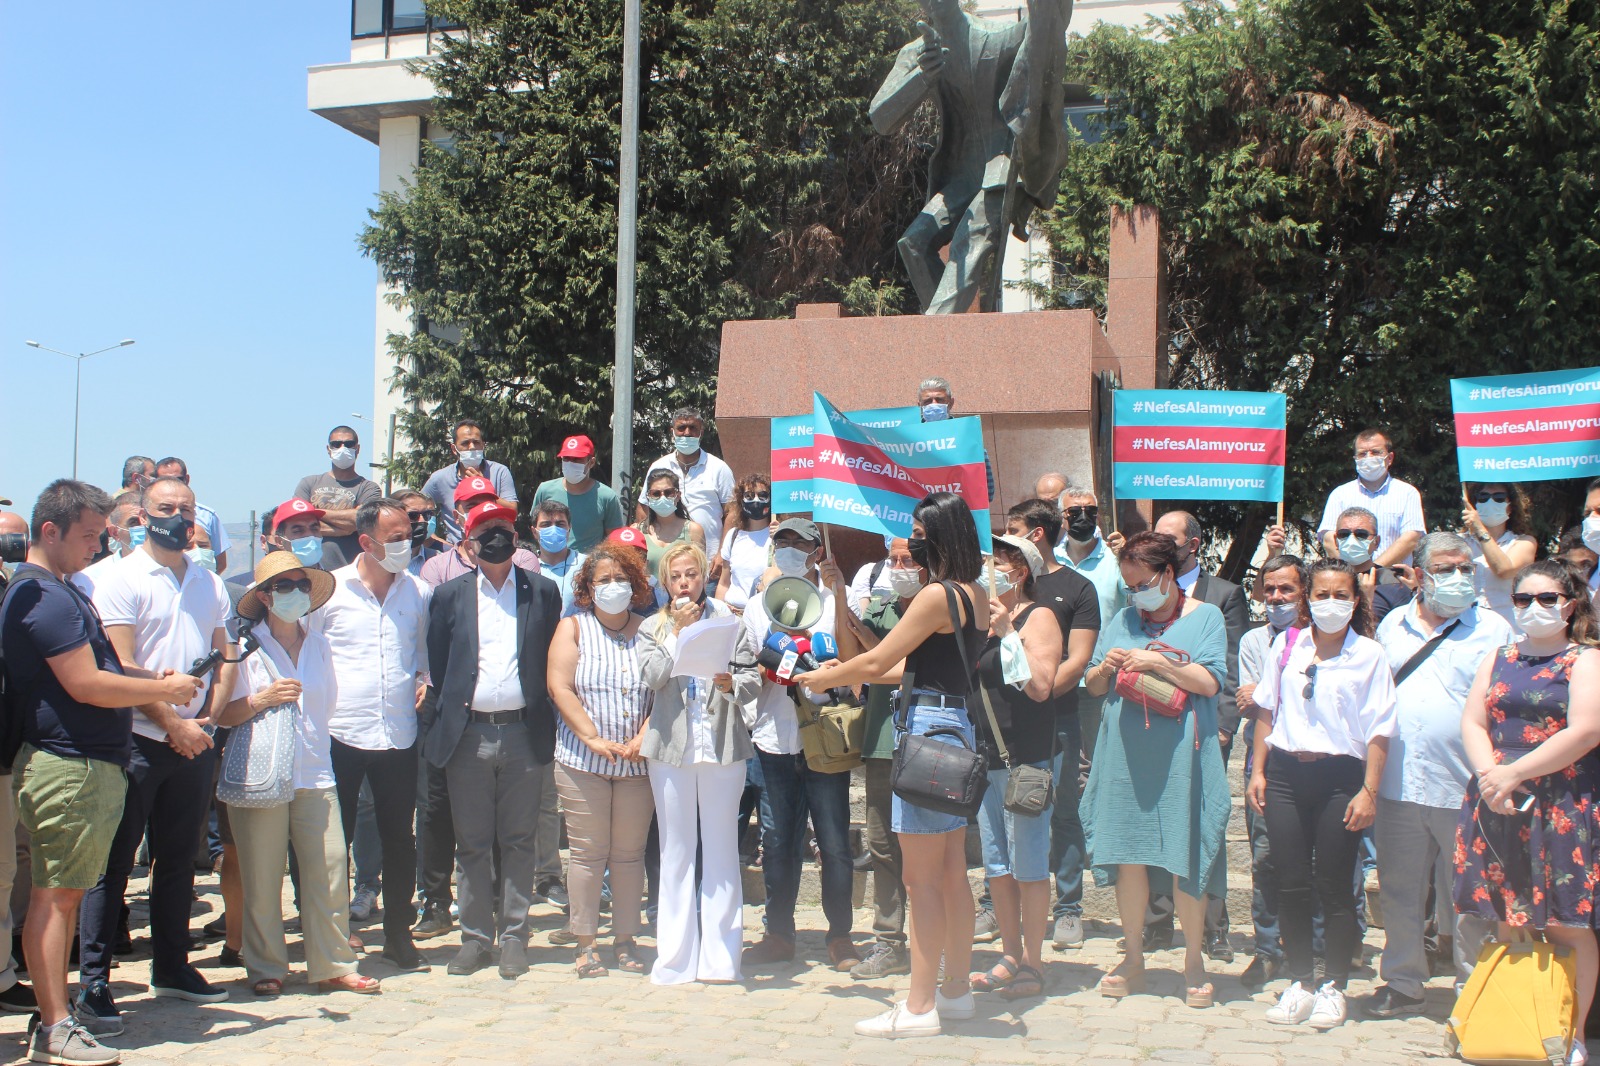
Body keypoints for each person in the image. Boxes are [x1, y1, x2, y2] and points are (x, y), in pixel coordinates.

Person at [2, 479, 202, 1066]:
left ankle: (55, 1017)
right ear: (50, 531)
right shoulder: (45, 597)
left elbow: (102, 667)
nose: (98, 546)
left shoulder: (59, 590)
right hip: (69, 765)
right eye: (89, 536)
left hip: (82, 763)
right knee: (57, 898)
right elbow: (86, 683)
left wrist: (151, 679)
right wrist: (161, 690)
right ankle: (56, 1026)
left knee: (61, 896)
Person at [799, 492, 988, 1039]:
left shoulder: (935, 594)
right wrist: (848, 668)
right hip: (954, 723)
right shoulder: (975, 592)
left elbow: (883, 658)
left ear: (941, 537)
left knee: (920, 879)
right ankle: (956, 991)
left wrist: (827, 677)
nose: (913, 544)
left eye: (919, 535)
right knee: (950, 873)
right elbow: (909, 665)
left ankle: (919, 1005)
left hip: (927, 729)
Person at [78, 476, 235, 1035]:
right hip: (135, 740)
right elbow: (118, 665)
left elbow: (223, 654)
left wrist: (206, 720)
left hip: (195, 741)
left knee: (177, 861)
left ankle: (172, 965)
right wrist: (172, 722)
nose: (178, 517)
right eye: (166, 508)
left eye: (186, 509)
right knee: (113, 865)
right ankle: (94, 982)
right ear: (143, 516)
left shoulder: (209, 582)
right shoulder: (119, 579)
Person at [1356, 533, 1509, 1019]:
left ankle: (1473, 992)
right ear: (1420, 576)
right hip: (1399, 784)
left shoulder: (1494, 629)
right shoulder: (1392, 625)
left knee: (1470, 898)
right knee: (1399, 890)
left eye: (1465, 568)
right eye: (1446, 569)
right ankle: (1403, 982)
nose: (1459, 577)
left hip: (1467, 787)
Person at [1455, 560, 1600, 1063]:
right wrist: (1490, 776)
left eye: (1547, 599)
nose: (1534, 608)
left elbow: (1585, 730)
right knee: (1508, 920)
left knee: (1566, 924)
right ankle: (1516, 1029)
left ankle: (1569, 1034)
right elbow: (1473, 721)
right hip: (1499, 800)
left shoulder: (1585, 660)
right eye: (1523, 599)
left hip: (1559, 802)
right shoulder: (1498, 656)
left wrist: (1513, 774)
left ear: (1570, 605)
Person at [1080, 531, 1230, 1010]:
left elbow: (1210, 681)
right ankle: (1133, 957)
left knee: (1185, 856)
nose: (1137, 595)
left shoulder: (1205, 616)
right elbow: (1092, 685)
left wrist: (1156, 663)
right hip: (1124, 755)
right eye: (1129, 587)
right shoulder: (1123, 619)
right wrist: (1105, 668)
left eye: (1143, 584)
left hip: (1183, 755)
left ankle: (1193, 961)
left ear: (1168, 574)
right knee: (1127, 854)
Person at [219, 554, 380, 997]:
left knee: (331, 868)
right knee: (261, 874)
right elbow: (221, 713)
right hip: (261, 772)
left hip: (315, 770)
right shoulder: (244, 646)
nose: (296, 593)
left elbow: (326, 706)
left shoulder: (319, 644)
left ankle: (333, 963)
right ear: (264, 597)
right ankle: (266, 966)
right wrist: (262, 699)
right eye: (285, 586)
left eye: (302, 585)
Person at [1247, 559, 1397, 1031]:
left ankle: (1333, 984)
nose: (1331, 603)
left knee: (1334, 883)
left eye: (1341, 595)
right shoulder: (1288, 646)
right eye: (1322, 595)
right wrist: (1258, 770)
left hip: (1340, 778)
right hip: (1286, 774)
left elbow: (1379, 729)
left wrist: (1369, 790)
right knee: (1289, 880)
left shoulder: (1369, 655)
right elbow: (1267, 710)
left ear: (1355, 601)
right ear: (1308, 599)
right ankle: (1300, 981)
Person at [422, 500, 561, 979]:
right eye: (485, 532)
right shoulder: (448, 596)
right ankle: (475, 938)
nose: (496, 538)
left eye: (504, 528)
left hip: (524, 732)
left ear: (516, 538)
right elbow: (441, 664)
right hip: (469, 735)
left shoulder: (542, 592)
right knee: (473, 843)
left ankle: (515, 936)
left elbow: (547, 656)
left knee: (519, 840)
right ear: (468, 545)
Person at [309, 497, 432, 972]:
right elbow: (308, 655)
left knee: (399, 838)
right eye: (396, 538)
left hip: (398, 734)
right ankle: (332, 933)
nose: (407, 543)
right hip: (338, 732)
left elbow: (423, 658)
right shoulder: (330, 592)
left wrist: (424, 681)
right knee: (331, 841)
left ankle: (399, 933)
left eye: (409, 535)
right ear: (366, 542)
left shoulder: (419, 592)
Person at [737, 518, 858, 973]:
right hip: (774, 738)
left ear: (816, 551)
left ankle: (840, 935)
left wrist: (840, 595)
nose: (789, 548)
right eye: (781, 541)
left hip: (824, 736)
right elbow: (746, 666)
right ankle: (778, 933)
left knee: (834, 841)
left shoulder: (834, 599)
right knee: (776, 840)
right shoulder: (756, 607)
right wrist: (768, 666)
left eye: (798, 542)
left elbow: (853, 657)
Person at [637, 543, 758, 984]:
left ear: (704, 576)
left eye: (691, 574)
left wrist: (730, 685)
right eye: (675, 576)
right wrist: (676, 633)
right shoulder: (652, 626)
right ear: (665, 582)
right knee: (676, 850)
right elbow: (652, 677)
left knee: (722, 848)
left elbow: (752, 678)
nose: (684, 583)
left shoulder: (730, 622)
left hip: (721, 744)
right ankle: (674, 960)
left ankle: (721, 961)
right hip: (672, 748)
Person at [547, 542, 656, 978]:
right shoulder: (572, 628)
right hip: (582, 763)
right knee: (588, 854)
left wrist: (643, 736)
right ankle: (585, 942)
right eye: (604, 580)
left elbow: (665, 688)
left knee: (629, 855)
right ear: (588, 589)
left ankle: (625, 940)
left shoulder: (651, 629)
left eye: (621, 578)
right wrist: (591, 738)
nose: (614, 586)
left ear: (636, 584)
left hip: (637, 763)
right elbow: (560, 686)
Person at [1152, 509, 1250, 960]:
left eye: (1169, 540)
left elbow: (1230, 662)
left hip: (1205, 727)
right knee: (1155, 820)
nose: (1161, 546)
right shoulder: (1145, 590)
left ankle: (1213, 927)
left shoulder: (1224, 594)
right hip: (1154, 725)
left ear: (1193, 544)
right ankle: (1156, 922)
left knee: (1205, 824)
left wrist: (1225, 726)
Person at [969, 535, 1062, 1002]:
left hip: (1026, 757)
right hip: (985, 758)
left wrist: (1008, 634)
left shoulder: (1038, 617)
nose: (986, 571)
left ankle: (1033, 961)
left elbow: (1041, 687)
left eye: (996, 564)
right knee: (998, 865)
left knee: (1028, 865)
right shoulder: (978, 621)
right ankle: (1009, 953)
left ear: (1019, 572)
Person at [1003, 500, 1099, 950]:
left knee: (1062, 812)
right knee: (1003, 813)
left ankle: (1068, 909)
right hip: (1002, 724)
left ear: (1036, 534)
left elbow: (1077, 660)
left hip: (1058, 718)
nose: (1004, 539)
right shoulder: (1000, 587)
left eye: (1012, 529)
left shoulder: (1077, 588)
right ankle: (996, 904)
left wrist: (1038, 696)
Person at [842, 536, 923, 981]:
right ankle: (889, 941)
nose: (898, 567)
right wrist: (839, 598)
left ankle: (935, 942)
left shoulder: (939, 606)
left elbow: (893, 665)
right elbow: (857, 653)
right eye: (892, 559)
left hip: (928, 740)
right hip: (881, 740)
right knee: (882, 843)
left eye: (907, 559)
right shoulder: (880, 605)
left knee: (929, 846)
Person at [1234, 554, 1305, 990]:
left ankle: (1313, 949)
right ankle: (1267, 949)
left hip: (1314, 762)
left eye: (1287, 589)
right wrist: (1264, 696)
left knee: (1314, 859)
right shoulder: (1253, 641)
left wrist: (1264, 695)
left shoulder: (1321, 639)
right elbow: (1249, 703)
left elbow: (1263, 697)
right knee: (1265, 856)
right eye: (1270, 589)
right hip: (1264, 760)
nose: (1276, 598)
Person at [1053, 481, 1125, 803]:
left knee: (1097, 765)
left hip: (1099, 682)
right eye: (1074, 512)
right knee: (1061, 767)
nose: (1083, 518)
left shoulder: (1116, 561)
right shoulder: (1048, 559)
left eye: (1090, 511)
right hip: (1056, 679)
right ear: (1061, 517)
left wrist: (1127, 558)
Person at [637, 408, 736, 572]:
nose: (687, 433)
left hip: (709, 563)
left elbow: (732, 512)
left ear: (701, 432)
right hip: (664, 565)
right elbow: (643, 508)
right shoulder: (659, 466)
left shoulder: (718, 468)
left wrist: (722, 553)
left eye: (693, 428)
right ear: (672, 431)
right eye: (681, 428)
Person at [1317, 428, 1426, 567]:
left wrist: (1373, 570)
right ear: (1355, 459)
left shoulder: (1407, 493)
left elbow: (1410, 539)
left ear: (1390, 458)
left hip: (1393, 578)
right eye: (1362, 454)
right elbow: (1329, 540)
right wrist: (1350, 573)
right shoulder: (1340, 495)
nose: (1368, 457)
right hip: (1350, 578)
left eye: (1375, 452)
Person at [419, 477, 541, 587]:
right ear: (456, 516)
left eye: (487, 504)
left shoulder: (521, 560)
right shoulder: (437, 568)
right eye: (472, 506)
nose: (482, 511)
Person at [422, 419, 519, 544]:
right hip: (457, 547)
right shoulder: (440, 478)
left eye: (476, 442)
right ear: (454, 448)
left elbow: (513, 511)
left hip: (494, 545)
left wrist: (485, 489)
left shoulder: (499, 472)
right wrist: (438, 543)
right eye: (465, 443)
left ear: (483, 445)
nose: (472, 447)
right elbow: (416, 509)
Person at [531, 435, 625, 554]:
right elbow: (535, 527)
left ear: (591, 462)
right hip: (550, 560)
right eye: (566, 458)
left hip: (588, 563)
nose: (570, 463)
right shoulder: (545, 490)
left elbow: (614, 540)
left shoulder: (606, 496)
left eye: (577, 459)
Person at [1461, 482, 1538, 626]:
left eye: (1499, 498)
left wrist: (1479, 529)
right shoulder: (1459, 543)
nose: (1490, 502)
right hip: (1467, 626)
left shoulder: (1524, 542)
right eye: (1483, 497)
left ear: (1510, 506)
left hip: (1507, 625)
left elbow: (1504, 570)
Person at [1331, 506, 1414, 626]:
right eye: (1344, 534)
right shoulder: (1322, 580)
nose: (1351, 540)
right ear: (1335, 540)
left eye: (1361, 534)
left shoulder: (1394, 584)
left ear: (1376, 542)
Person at [153, 457, 232, 575]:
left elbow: (220, 563)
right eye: (165, 481)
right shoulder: (152, 515)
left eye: (177, 480)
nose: (172, 485)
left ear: (187, 479)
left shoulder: (207, 516)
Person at [714, 473, 773, 614]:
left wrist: (781, 537)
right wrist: (718, 613)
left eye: (762, 495)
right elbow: (724, 583)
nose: (756, 500)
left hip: (762, 614)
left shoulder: (779, 537)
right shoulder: (733, 536)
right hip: (732, 614)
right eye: (749, 496)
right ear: (741, 500)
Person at [636, 469, 706, 574]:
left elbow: (700, 573)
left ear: (678, 495)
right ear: (648, 497)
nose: (662, 498)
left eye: (669, 493)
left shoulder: (694, 531)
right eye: (656, 494)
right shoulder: (637, 531)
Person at [532, 499, 586, 613]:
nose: (553, 529)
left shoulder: (586, 564)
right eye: (546, 525)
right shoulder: (528, 566)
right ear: (534, 532)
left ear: (569, 528)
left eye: (560, 524)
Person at [266, 498, 330, 570]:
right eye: (298, 531)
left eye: (314, 529)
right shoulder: (270, 577)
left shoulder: (336, 576)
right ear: (280, 542)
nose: (310, 535)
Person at [394, 489, 442, 577]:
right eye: (413, 515)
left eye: (427, 514)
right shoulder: (377, 562)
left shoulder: (439, 561)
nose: (422, 520)